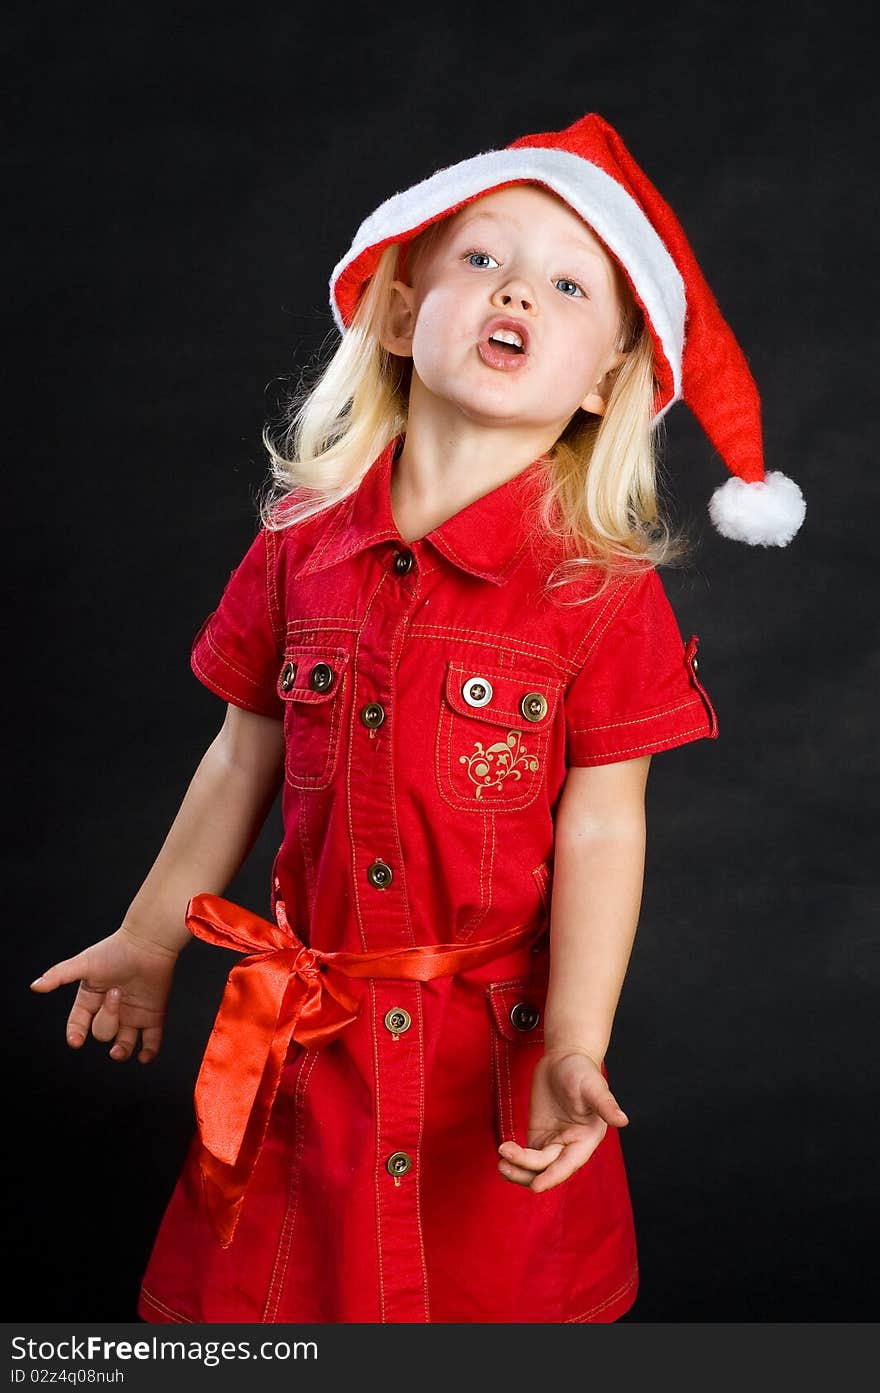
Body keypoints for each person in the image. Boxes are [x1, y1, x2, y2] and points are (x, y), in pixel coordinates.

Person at [30, 112, 805, 1324]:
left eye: (567, 284)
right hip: (311, 1055)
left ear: (611, 375)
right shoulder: (297, 546)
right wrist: (148, 938)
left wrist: (573, 1043)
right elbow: (240, 753)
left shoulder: (597, 589)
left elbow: (606, 828)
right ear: (398, 312)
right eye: (482, 260)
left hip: (483, 1067)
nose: (519, 295)